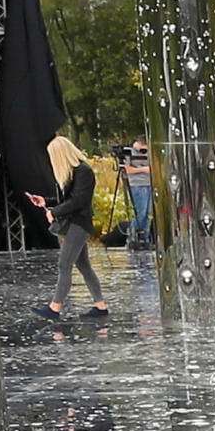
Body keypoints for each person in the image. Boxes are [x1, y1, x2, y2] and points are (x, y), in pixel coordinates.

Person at [27, 136, 108, 319]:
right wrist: (46, 202)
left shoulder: (83, 171)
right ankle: (100, 306)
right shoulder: (76, 172)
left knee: (64, 264)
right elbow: (69, 200)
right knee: (84, 266)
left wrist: (54, 212)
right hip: (76, 223)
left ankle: (55, 307)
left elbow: (79, 201)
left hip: (79, 224)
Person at [124, 137, 152, 248]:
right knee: (140, 212)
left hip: (149, 183)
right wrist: (145, 169)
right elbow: (127, 169)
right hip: (137, 184)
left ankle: (144, 238)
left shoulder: (148, 152)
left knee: (147, 213)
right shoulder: (129, 152)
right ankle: (132, 237)